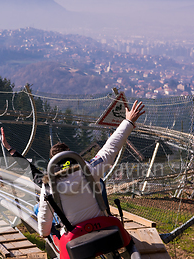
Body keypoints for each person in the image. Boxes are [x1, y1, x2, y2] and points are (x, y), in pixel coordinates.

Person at [37, 100, 145, 237]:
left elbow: (44, 225)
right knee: (99, 183)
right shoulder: (89, 169)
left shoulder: (48, 187)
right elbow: (110, 149)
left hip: (74, 233)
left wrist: (45, 233)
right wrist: (128, 121)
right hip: (101, 224)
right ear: (72, 157)